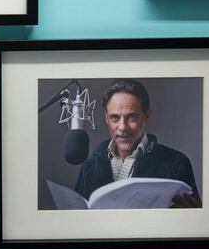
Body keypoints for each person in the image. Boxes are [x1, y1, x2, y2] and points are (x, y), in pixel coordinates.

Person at [74, 79, 201, 208]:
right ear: (107, 117)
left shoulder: (177, 163)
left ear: (146, 116)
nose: (123, 127)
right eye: (115, 118)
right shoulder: (90, 165)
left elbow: (195, 222)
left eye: (132, 117)